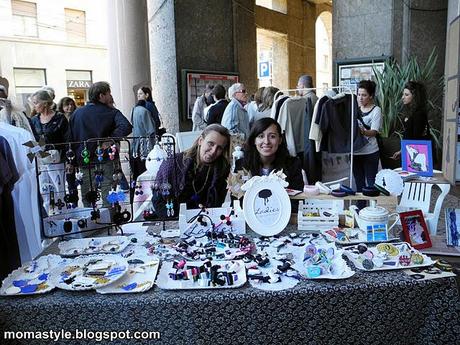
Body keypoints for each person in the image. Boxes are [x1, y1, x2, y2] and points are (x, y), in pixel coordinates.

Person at [70, 81, 132, 207]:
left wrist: (71, 161)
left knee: (87, 195)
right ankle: (110, 222)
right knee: (109, 194)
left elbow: (70, 138)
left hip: (84, 160)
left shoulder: (77, 113)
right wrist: (111, 139)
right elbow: (126, 126)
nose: (110, 96)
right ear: (101, 96)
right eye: (108, 93)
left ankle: (91, 224)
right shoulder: (111, 112)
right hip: (106, 159)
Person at [152, 124, 231, 218]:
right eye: (211, 144)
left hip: (205, 221)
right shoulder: (174, 163)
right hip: (173, 219)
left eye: (219, 148)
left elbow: (216, 204)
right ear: (201, 141)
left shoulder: (221, 170)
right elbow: (158, 200)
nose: (213, 151)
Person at [30, 89, 70, 215]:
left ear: (45, 103)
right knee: (44, 190)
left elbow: (67, 139)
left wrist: (69, 161)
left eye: (36, 103)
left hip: (57, 160)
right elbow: (34, 140)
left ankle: (63, 217)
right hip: (41, 160)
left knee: (59, 190)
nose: (34, 106)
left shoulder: (60, 118)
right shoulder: (34, 120)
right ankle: (49, 218)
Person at [235, 117, 303, 191]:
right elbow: (236, 198)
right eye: (261, 136)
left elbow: (297, 197)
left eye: (272, 136)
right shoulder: (242, 165)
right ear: (254, 140)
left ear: (280, 140)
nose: (266, 142)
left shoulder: (293, 165)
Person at [353, 80, 381, 207]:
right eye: (359, 94)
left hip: (371, 152)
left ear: (371, 96)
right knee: (359, 182)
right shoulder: (354, 109)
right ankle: (361, 208)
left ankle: (373, 208)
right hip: (356, 152)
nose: (360, 97)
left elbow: (374, 132)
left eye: (364, 95)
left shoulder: (376, 110)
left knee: (371, 182)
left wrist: (362, 132)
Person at [391, 81, 430, 160]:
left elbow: (417, 138)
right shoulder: (411, 111)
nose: (403, 97)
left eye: (406, 95)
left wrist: (405, 151)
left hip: (416, 157)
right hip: (412, 153)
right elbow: (410, 135)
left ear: (415, 96)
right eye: (403, 94)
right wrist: (402, 150)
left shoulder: (419, 114)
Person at [131, 87, 161, 180]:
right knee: (146, 168)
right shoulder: (145, 108)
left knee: (138, 168)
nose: (138, 96)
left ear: (147, 95)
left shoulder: (137, 108)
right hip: (146, 142)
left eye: (140, 94)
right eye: (138, 94)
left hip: (137, 143)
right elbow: (153, 126)